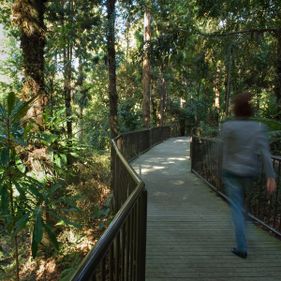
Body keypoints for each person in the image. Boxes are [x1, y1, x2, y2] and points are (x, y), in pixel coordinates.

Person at [221, 93, 276, 259]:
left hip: (231, 172)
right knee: (245, 206)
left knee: (237, 207)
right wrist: (271, 176)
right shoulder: (259, 127)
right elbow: (265, 153)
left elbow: (223, 148)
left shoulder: (229, 126)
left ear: (235, 109)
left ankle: (241, 246)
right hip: (249, 172)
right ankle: (244, 232)